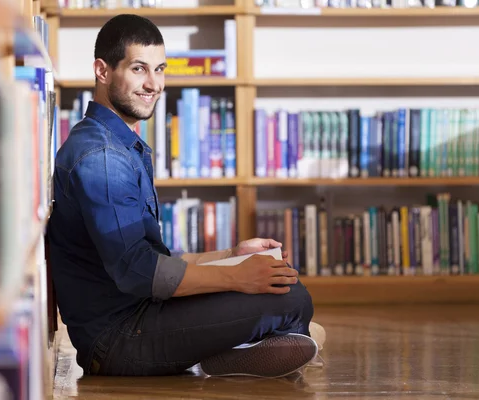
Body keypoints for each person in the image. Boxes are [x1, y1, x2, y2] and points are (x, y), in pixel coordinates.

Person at [47, 14, 322, 378]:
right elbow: (138, 271)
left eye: (159, 69)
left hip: (141, 314)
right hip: (118, 340)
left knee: (288, 294)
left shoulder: (117, 144)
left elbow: (151, 259)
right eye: (139, 69)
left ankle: (236, 349)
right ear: (103, 71)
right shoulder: (101, 158)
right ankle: (234, 350)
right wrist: (238, 277)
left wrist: (230, 255)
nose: (153, 84)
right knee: (293, 301)